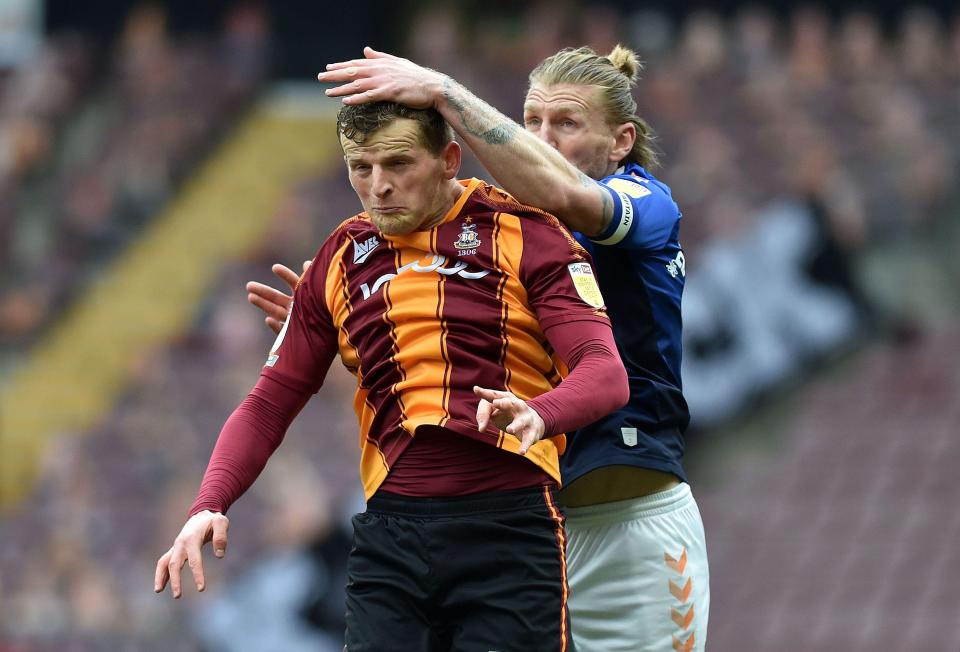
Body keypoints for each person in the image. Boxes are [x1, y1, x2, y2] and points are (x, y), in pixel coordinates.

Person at [251, 45, 710, 651]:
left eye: (567, 124)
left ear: (621, 141)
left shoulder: (645, 203)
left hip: (629, 534)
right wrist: (342, 320)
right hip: (521, 533)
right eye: (533, 122)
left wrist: (443, 90)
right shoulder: (496, 231)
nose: (544, 139)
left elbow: (567, 196)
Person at [155, 100, 629, 652]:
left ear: (450, 159)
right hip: (391, 537)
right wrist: (209, 502)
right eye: (361, 167)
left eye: (398, 164)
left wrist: (539, 412)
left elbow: (605, 373)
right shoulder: (338, 259)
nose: (378, 185)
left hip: (510, 527)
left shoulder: (529, 235)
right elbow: (268, 401)